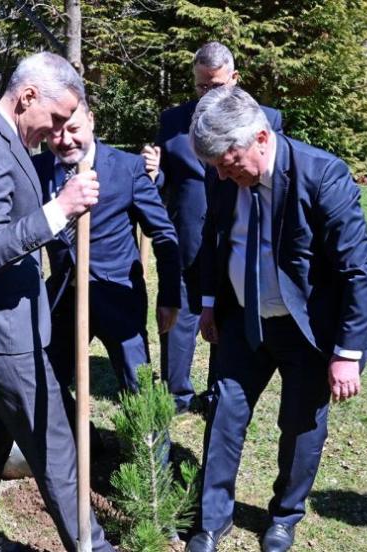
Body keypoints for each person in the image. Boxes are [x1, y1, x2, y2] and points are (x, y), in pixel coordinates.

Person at [0, 52, 115, 552]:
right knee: (55, 448)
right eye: (55, 117)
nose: (57, 131)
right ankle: (93, 547)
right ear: (28, 96)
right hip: (0, 331)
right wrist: (61, 209)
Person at [183, 86, 367, 552]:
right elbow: (214, 237)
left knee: (299, 425)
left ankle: (285, 516)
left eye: (230, 164)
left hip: (307, 328)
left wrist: (347, 353)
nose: (223, 176)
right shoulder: (223, 174)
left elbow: (359, 269)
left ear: (261, 138)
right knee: (224, 414)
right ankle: (212, 520)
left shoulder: (322, 175)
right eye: (216, 168)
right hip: (243, 319)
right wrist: (209, 301)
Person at [144, 42, 283, 414]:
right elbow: (163, 182)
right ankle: (177, 394)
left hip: (235, 239)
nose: (207, 93)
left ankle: (217, 390)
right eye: (201, 86)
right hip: (187, 235)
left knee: (227, 316)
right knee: (181, 315)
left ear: (234, 78)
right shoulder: (172, 122)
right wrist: (153, 174)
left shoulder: (265, 119)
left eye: (216, 85)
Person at [32, 100, 181, 404]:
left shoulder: (127, 168)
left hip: (118, 294)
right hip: (63, 295)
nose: (65, 139)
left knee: (137, 387)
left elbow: (163, 233)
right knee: (47, 382)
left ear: (91, 120)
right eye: (55, 132)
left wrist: (169, 297)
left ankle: (148, 437)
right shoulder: (37, 169)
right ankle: (70, 434)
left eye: (73, 128)